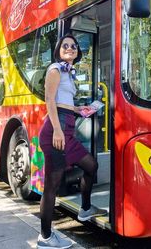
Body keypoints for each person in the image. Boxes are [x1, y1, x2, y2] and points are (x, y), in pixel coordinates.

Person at [37, 34, 107, 249]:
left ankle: (85, 209)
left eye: (73, 46)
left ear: (77, 51)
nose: (69, 48)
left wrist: (79, 109)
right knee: (52, 185)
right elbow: (50, 100)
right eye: (65, 45)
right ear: (58, 50)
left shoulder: (68, 72)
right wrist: (57, 130)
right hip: (56, 131)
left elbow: (62, 102)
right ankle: (46, 237)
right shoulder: (55, 69)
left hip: (67, 125)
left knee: (91, 165)